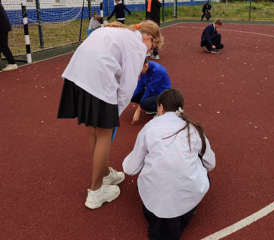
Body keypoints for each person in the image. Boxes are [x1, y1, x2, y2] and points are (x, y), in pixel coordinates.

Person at [57, 20, 163, 210]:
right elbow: (128, 86)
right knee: (104, 134)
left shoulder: (117, 32)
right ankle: (96, 192)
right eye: (152, 47)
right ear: (148, 38)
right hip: (96, 80)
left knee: (93, 132)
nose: (148, 52)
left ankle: (105, 173)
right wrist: (115, 115)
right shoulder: (136, 45)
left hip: (78, 76)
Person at [123, 88, 216, 240]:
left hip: (154, 200)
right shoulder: (194, 128)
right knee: (200, 164)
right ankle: (188, 207)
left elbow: (131, 169)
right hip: (187, 196)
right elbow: (210, 163)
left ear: (160, 107)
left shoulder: (150, 128)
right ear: (181, 107)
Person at [131, 58, 171, 123]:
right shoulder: (144, 68)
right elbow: (140, 85)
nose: (138, 73)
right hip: (153, 93)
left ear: (145, 66)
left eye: (139, 70)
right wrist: (129, 96)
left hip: (162, 95)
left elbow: (149, 90)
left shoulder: (158, 71)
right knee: (131, 95)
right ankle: (151, 107)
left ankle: (160, 110)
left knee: (143, 103)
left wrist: (138, 110)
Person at [0, 3, 18, 72]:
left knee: (3, 44)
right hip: (3, 26)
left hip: (2, 27)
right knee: (1, 43)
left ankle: (12, 63)